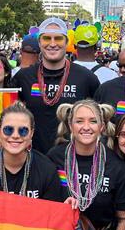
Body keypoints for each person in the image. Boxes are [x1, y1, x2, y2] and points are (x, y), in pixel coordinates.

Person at [47, 100, 125, 230]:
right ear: (70, 126)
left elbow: (124, 218)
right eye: (79, 121)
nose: (86, 127)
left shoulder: (116, 165)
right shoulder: (54, 158)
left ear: (101, 127)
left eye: (93, 121)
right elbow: (44, 204)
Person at [11, 17, 100, 153]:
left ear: (66, 42)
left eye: (58, 39)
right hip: (32, 158)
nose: (52, 44)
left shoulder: (86, 78)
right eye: (47, 39)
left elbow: (98, 120)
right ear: (39, 43)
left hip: (72, 159)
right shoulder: (23, 77)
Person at [0, 102, 66, 202]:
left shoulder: (47, 169)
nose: (15, 136)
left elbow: (52, 214)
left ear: (31, 133)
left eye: (23, 131)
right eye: (8, 130)